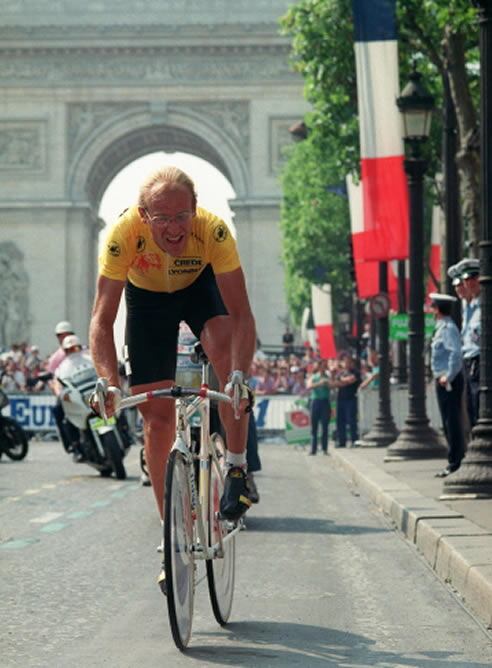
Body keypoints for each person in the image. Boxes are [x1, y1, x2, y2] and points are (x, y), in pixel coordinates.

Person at [88, 166, 256, 585]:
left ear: (195, 209)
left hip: (200, 287)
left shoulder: (213, 232)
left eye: (182, 215)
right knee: (156, 419)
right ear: (143, 216)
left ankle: (236, 468)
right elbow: (101, 321)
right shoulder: (122, 235)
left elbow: (242, 315)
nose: (174, 227)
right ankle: (172, 531)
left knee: (223, 350)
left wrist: (238, 375)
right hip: (146, 301)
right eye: (162, 218)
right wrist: (109, 381)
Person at [428, 293, 466, 477]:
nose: (430, 309)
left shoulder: (448, 328)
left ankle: (455, 461)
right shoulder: (441, 327)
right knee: (447, 420)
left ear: (437, 309)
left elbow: (455, 354)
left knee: (452, 421)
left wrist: (448, 376)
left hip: (448, 381)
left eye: (432, 306)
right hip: (442, 379)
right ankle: (453, 459)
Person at [334, 353, 361, 447]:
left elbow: (351, 380)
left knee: (351, 420)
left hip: (351, 398)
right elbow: (336, 384)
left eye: (348, 361)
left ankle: (354, 440)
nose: (347, 363)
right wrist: (343, 380)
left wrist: (342, 380)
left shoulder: (356, 372)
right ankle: (342, 441)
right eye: (345, 361)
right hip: (341, 399)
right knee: (340, 421)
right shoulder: (340, 373)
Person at [306, 360, 332, 455]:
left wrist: (328, 384)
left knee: (325, 427)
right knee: (314, 427)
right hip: (315, 401)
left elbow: (332, 386)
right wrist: (320, 383)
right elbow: (308, 386)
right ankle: (313, 449)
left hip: (325, 402)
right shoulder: (313, 377)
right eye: (321, 366)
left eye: (324, 366)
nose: (322, 368)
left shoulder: (327, 377)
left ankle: (324, 449)